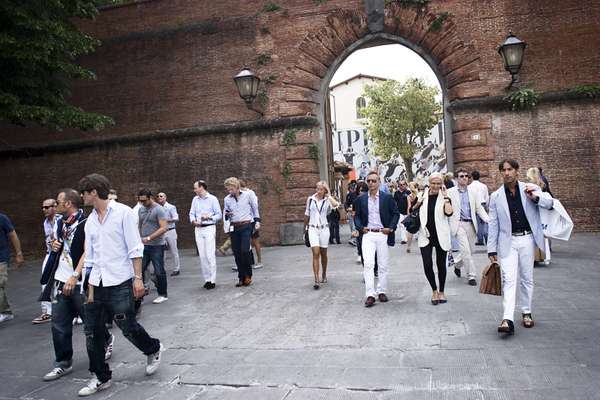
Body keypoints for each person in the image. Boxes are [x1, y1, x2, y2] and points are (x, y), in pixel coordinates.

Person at [78, 173, 163, 396]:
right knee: (92, 331)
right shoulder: (90, 221)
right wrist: (88, 287)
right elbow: (91, 256)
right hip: (97, 282)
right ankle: (100, 376)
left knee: (127, 327)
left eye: (84, 193)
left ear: (93, 192)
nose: (82, 197)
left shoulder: (124, 213)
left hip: (121, 281)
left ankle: (153, 349)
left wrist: (137, 279)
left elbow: (135, 247)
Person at [42, 189, 114, 381]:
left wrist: (74, 276)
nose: (55, 205)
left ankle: (106, 339)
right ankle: (63, 363)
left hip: (80, 281)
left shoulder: (85, 223)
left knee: (91, 323)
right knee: (58, 324)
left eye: (58, 202)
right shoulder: (60, 223)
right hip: (59, 278)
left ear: (68, 204)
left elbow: (87, 252)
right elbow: (60, 244)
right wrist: (55, 244)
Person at [488, 159, 554, 335]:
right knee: (508, 279)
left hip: (527, 239)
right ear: (501, 173)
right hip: (507, 242)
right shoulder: (495, 196)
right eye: (503, 170)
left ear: (517, 171)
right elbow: (493, 224)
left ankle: (526, 312)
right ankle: (507, 318)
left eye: (510, 169)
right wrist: (491, 250)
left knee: (526, 278)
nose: (507, 173)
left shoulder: (529, 189)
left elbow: (549, 203)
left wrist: (535, 197)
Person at [353, 171, 400, 307]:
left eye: (374, 181)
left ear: (379, 182)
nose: (371, 183)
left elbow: (396, 214)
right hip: (368, 234)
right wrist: (361, 227)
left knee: (383, 264)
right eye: (369, 181)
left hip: (382, 234)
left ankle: (381, 291)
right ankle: (370, 294)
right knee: (368, 264)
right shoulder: (361, 199)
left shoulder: (387, 198)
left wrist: (390, 228)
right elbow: (356, 216)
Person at [415, 173, 453, 305]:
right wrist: (417, 202)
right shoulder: (422, 195)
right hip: (425, 234)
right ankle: (434, 290)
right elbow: (411, 210)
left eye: (438, 183)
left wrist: (446, 198)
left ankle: (442, 291)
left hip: (441, 235)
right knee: (427, 264)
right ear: (429, 183)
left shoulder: (445, 196)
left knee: (441, 265)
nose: (436, 186)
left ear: (442, 183)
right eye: (433, 183)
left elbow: (449, 213)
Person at [448, 168, 490, 286]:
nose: (465, 178)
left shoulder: (473, 192)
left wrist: (488, 219)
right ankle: (471, 276)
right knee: (465, 251)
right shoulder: (450, 192)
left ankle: (457, 264)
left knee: (471, 251)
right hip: (458, 224)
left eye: (466, 176)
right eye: (462, 176)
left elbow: (478, 208)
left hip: (471, 224)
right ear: (456, 179)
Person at [223, 177, 260, 287]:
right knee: (237, 253)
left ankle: (248, 275)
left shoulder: (248, 195)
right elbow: (225, 213)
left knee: (245, 251)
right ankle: (241, 277)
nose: (230, 192)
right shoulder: (227, 199)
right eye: (228, 190)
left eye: (231, 189)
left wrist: (257, 221)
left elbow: (255, 208)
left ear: (237, 187)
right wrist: (227, 215)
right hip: (234, 227)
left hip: (246, 225)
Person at [303, 181, 340, 289]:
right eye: (317, 188)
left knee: (324, 254)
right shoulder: (311, 199)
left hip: (324, 229)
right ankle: (316, 279)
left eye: (320, 189)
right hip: (313, 229)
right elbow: (306, 214)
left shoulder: (328, 200)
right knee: (315, 253)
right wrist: (305, 229)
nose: (318, 191)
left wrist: (328, 196)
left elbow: (336, 205)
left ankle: (323, 273)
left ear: (324, 190)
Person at [137, 188, 169, 304]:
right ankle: (138, 294)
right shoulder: (141, 210)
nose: (143, 203)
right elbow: (140, 225)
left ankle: (163, 294)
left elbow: (164, 227)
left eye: (144, 200)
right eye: (141, 201)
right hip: (143, 245)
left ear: (150, 197)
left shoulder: (159, 209)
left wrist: (149, 238)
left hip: (156, 245)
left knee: (159, 270)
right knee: (139, 270)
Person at [189, 180, 222, 289]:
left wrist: (209, 217)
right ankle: (207, 279)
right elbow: (191, 213)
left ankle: (212, 280)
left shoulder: (212, 199)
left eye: (195, 188)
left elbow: (219, 215)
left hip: (209, 228)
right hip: (198, 229)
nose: (194, 190)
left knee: (209, 254)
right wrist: (193, 221)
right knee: (202, 256)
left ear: (201, 187)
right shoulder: (195, 199)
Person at [34, 198, 60, 324]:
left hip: (62, 255)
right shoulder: (46, 222)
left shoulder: (60, 219)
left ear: (55, 207)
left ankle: (76, 311)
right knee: (45, 281)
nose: (44, 209)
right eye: (43, 207)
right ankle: (47, 312)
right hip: (50, 254)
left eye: (47, 207)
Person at [0, 212, 24, 323]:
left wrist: (18, 253)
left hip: (1, 258)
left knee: (0, 284)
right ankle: (6, 311)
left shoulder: (2, 218)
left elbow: (13, 235)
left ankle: (4, 312)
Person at [526, 167, 552, 265]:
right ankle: (540, 256)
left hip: (533, 213)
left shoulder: (528, 187)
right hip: (542, 213)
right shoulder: (542, 185)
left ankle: (534, 257)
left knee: (532, 236)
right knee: (542, 235)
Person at [156, 192, 181, 276]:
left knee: (174, 250)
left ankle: (177, 268)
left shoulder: (171, 207)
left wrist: (166, 220)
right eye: (158, 196)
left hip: (170, 230)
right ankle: (161, 269)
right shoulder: (157, 208)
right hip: (162, 232)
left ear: (165, 197)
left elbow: (176, 218)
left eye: (161, 196)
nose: (159, 197)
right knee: (162, 251)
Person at [240, 180, 263, 270]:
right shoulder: (239, 195)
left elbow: (255, 207)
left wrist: (257, 221)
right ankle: (249, 261)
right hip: (244, 220)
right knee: (245, 242)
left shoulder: (250, 193)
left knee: (255, 241)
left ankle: (259, 261)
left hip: (252, 220)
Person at [469, 170, 490, 245]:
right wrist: (487, 206)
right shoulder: (483, 186)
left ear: (472, 177)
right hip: (483, 203)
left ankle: (480, 239)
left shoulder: (470, 187)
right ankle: (486, 235)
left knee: (477, 222)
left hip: (474, 204)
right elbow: (487, 197)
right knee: (485, 221)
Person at [393, 180, 411, 245]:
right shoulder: (396, 193)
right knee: (401, 224)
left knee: (407, 225)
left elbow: (410, 202)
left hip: (407, 211)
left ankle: (408, 237)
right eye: (401, 184)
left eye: (403, 184)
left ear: (406, 185)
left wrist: (409, 211)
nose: (402, 186)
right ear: (398, 185)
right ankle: (404, 239)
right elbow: (394, 202)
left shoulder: (408, 192)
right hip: (399, 212)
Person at [344, 181, 358, 246]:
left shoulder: (359, 194)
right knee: (352, 226)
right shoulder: (350, 195)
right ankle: (354, 239)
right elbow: (346, 203)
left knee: (354, 226)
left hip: (356, 213)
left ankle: (354, 239)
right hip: (350, 212)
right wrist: (347, 210)